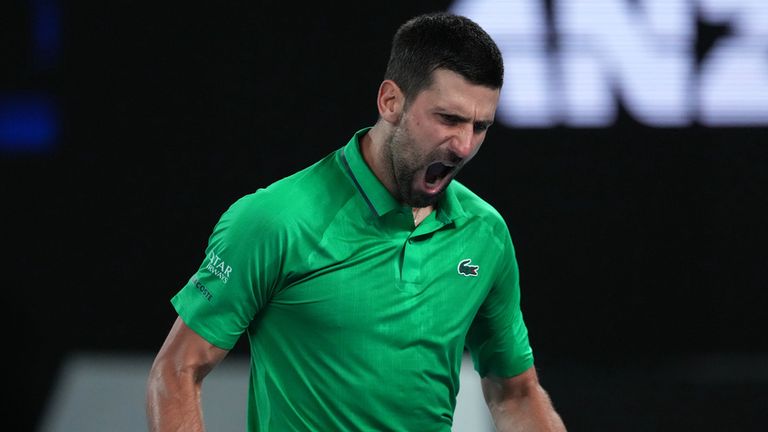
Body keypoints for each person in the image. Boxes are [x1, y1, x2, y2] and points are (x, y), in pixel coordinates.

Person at [146, 11, 566, 432]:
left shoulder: (485, 235)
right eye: (449, 119)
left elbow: (515, 393)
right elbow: (177, 371)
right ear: (391, 102)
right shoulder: (275, 220)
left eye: (481, 126)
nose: (464, 145)